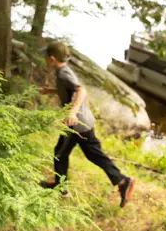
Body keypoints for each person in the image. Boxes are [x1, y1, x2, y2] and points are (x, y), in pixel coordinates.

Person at [39, 41, 135, 207]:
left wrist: (72, 112)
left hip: (75, 124)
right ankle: (122, 181)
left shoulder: (63, 74)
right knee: (93, 154)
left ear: (52, 59)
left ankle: (62, 189)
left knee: (60, 154)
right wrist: (51, 90)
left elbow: (81, 90)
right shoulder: (64, 71)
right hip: (84, 122)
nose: (45, 60)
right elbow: (69, 90)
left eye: (46, 57)